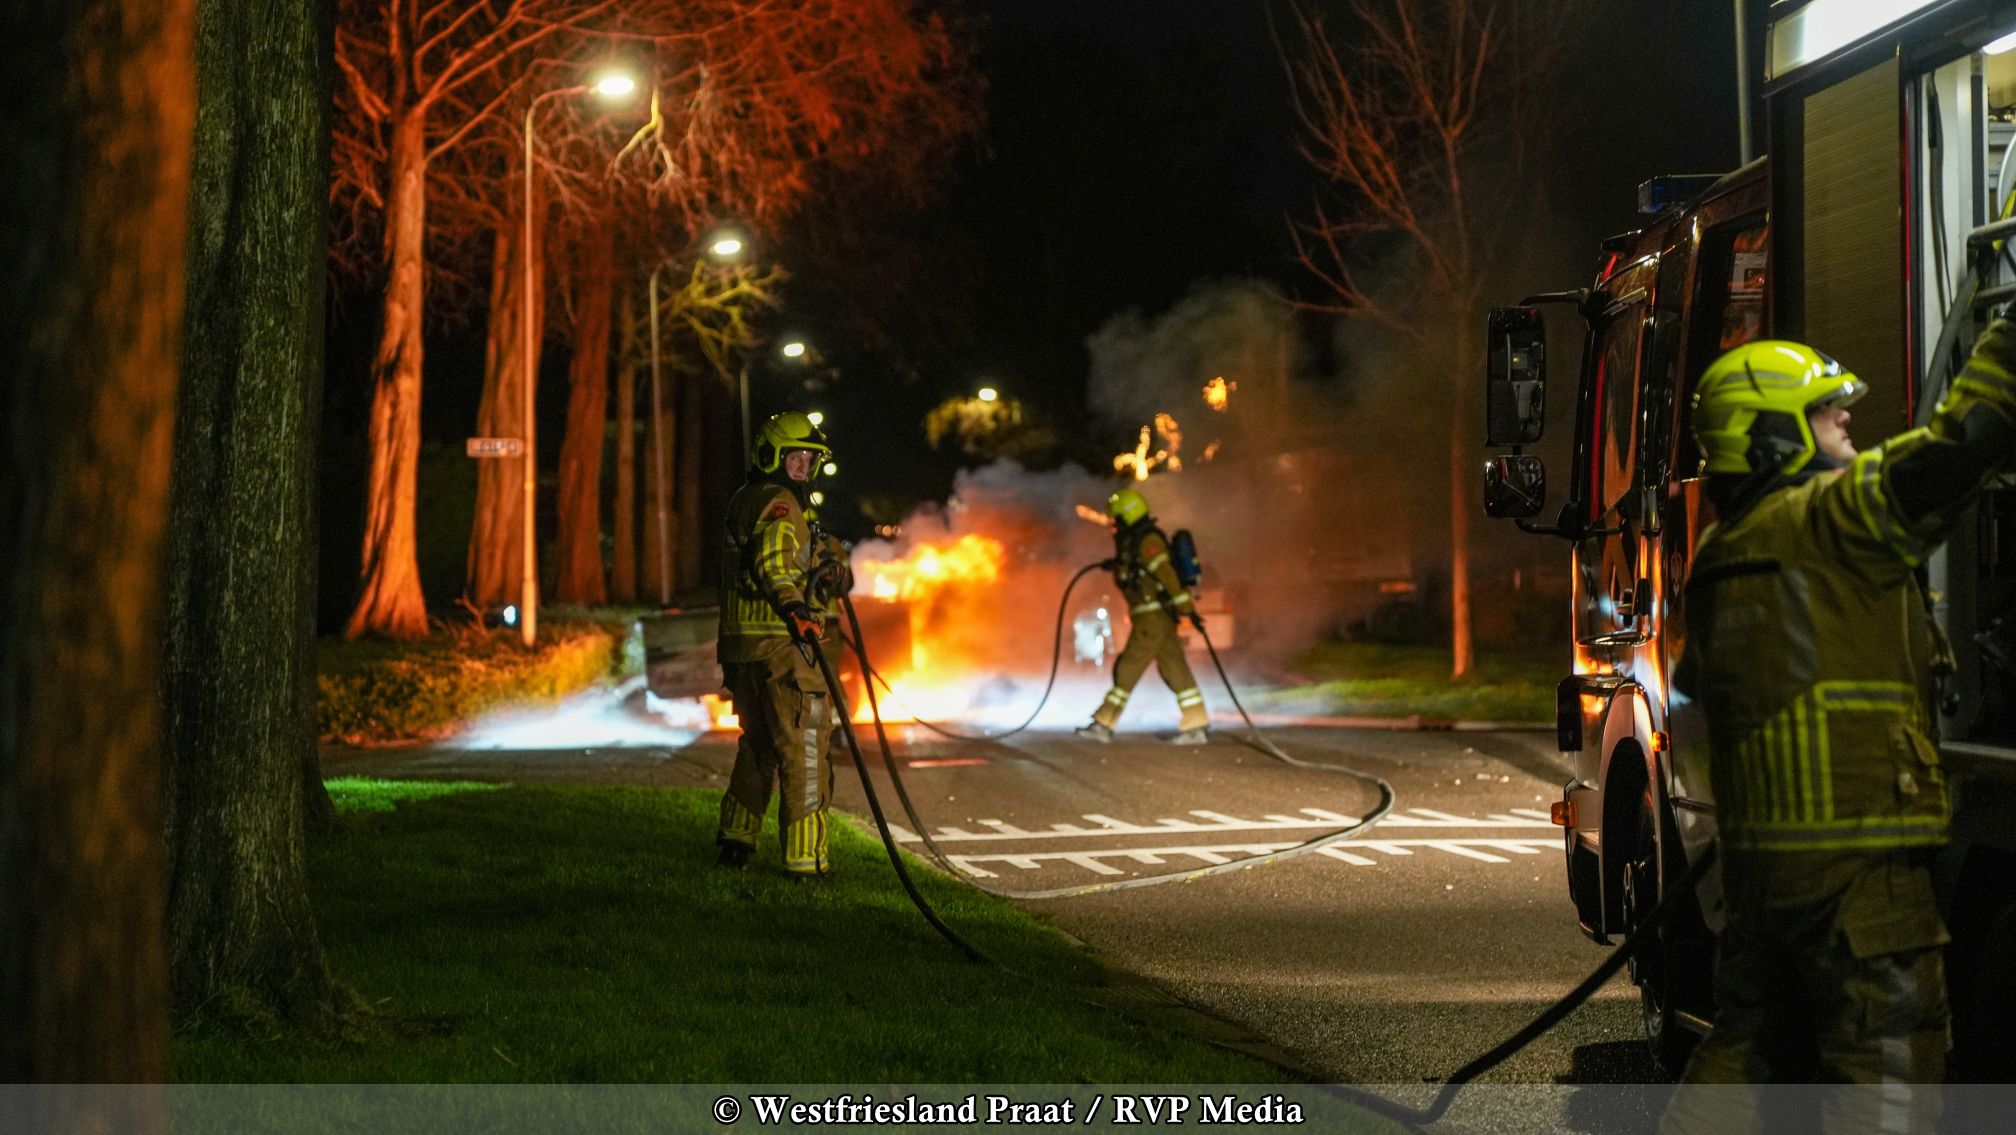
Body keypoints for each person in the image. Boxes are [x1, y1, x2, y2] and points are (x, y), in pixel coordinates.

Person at [1662, 315, 2016, 1131]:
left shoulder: (1719, 556)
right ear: (1771, 437)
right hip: (1862, 875)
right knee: (1886, 1077)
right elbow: (1957, 450)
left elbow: (1698, 696)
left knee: (1746, 1055)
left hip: (1762, 879)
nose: (1847, 419)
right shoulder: (1833, 519)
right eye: (1826, 412)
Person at [713, 411, 848, 877]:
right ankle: (807, 860)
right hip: (781, 646)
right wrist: (795, 609)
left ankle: (736, 839)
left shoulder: (744, 499)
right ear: (771, 455)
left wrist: (826, 569)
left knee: (759, 746)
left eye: (809, 460)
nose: (803, 468)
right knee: (805, 747)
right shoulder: (780, 504)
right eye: (795, 458)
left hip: (742, 649)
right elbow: (772, 563)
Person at [1074, 487, 1210, 745]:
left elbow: (1166, 575)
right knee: (1175, 669)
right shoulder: (1135, 543)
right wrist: (1117, 565)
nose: (1114, 525)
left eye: (1117, 519)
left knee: (1128, 668)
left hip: (1153, 618)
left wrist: (1187, 608)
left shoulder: (1148, 542)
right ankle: (1196, 726)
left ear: (1128, 515)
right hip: (1156, 618)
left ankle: (1103, 723)